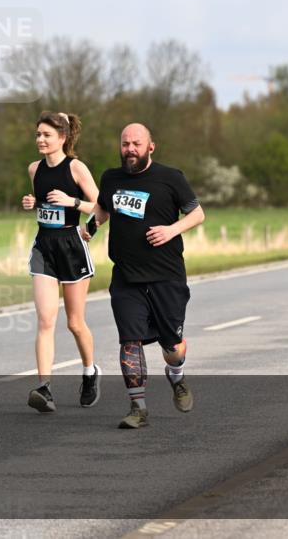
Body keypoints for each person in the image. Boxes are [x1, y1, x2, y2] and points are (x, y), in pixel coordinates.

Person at [87, 123, 205, 429]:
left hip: (167, 276)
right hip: (126, 275)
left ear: (151, 146)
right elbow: (102, 209)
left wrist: (171, 230)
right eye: (125, 144)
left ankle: (176, 376)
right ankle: (138, 408)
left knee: (173, 347)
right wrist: (90, 227)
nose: (130, 149)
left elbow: (197, 213)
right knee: (130, 341)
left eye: (136, 144)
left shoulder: (171, 178)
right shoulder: (111, 178)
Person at [21, 112, 101, 413]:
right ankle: (44, 388)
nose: (40, 140)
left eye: (46, 135)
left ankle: (90, 371)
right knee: (45, 321)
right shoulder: (34, 169)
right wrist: (33, 204)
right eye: (38, 134)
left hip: (71, 247)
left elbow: (100, 206)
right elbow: (43, 203)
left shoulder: (76, 167)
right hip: (44, 247)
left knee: (75, 323)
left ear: (62, 138)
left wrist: (73, 203)